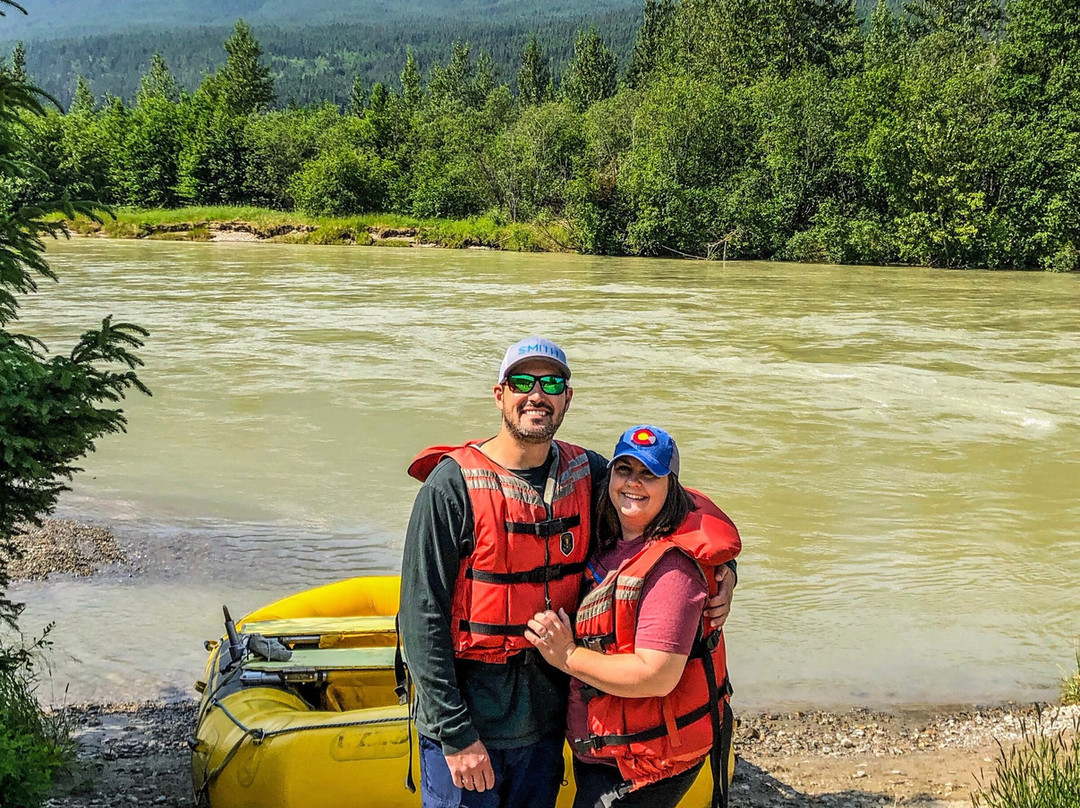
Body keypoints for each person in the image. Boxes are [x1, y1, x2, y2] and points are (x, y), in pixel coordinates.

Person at [399, 339, 735, 808]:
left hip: (544, 729)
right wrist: (455, 735)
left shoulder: (591, 473)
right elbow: (420, 618)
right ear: (500, 394)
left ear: (567, 398)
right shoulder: (451, 487)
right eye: (522, 382)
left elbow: (667, 513)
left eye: (552, 383)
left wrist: (725, 571)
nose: (537, 394)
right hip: (468, 731)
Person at [525, 425, 741, 808]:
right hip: (612, 749)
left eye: (649, 475)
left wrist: (567, 656)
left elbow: (656, 675)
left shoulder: (672, 570)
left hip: (647, 764)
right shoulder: (610, 534)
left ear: (671, 485)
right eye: (624, 470)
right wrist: (731, 573)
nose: (633, 483)